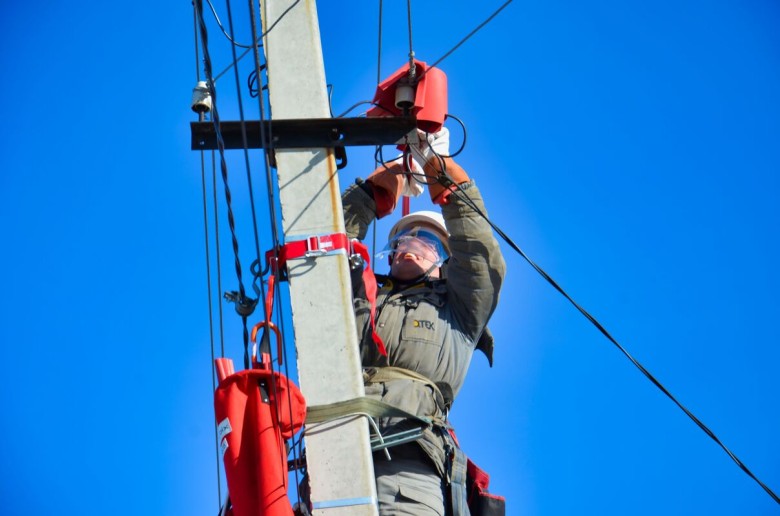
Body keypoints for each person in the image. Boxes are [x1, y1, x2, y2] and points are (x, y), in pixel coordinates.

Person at [340, 128, 506, 515]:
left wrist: (437, 168)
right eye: (403, 238)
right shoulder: (363, 299)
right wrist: (380, 188)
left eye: (427, 241)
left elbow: (481, 255)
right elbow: (326, 247)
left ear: (445, 263)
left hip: (409, 468)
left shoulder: (459, 311)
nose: (411, 244)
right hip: (335, 453)